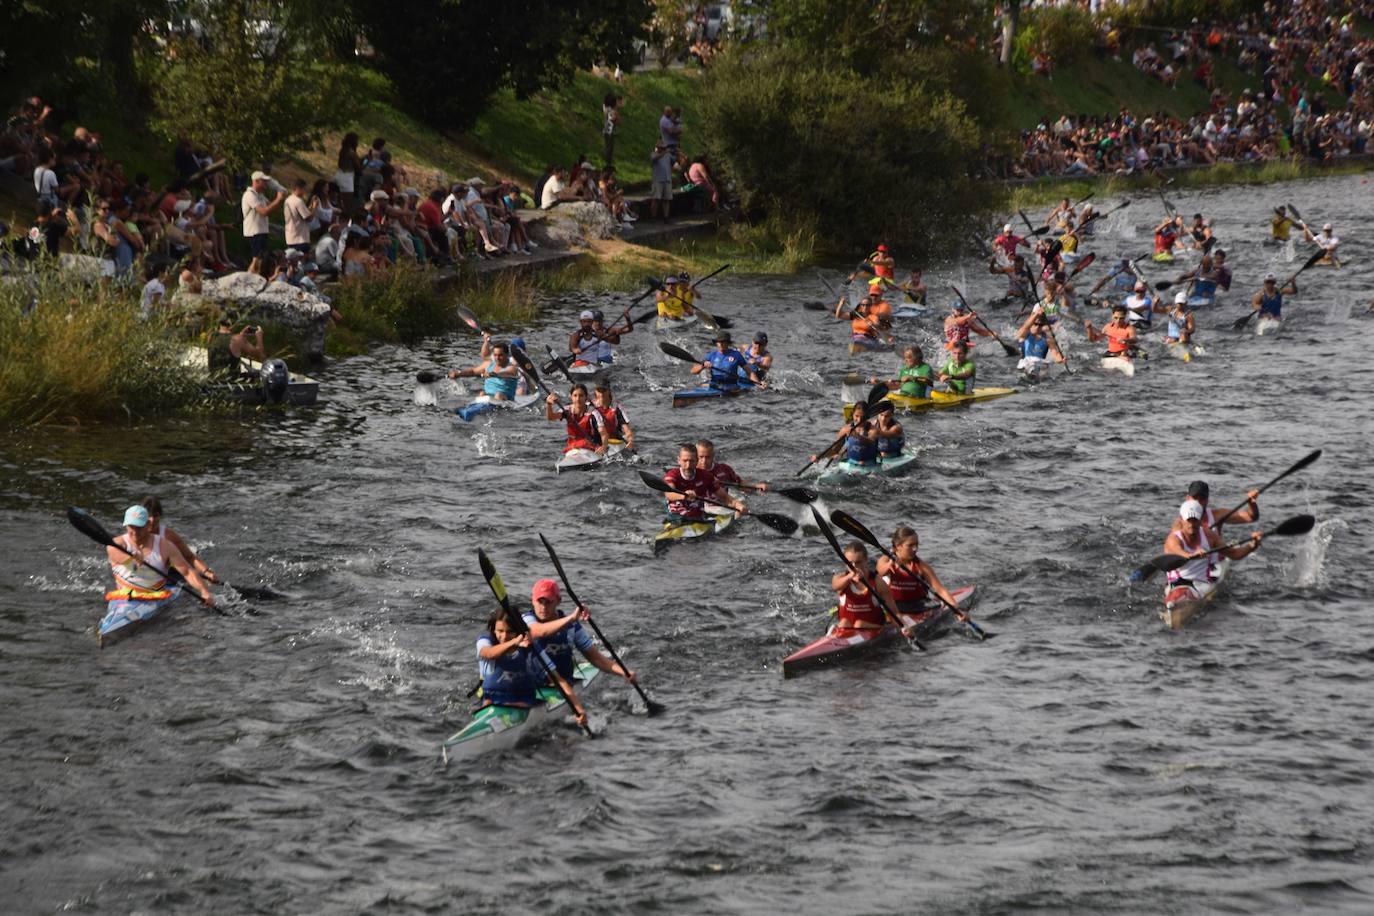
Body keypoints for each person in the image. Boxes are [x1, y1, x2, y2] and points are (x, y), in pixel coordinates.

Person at [476, 606, 587, 728]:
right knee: (486, 702)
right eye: (500, 631)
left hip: (522, 703)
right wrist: (515, 641)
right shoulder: (484, 642)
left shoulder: (531, 648)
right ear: (493, 630)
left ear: (518, 630)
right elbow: (489, 654)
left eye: (510, 631)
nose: (504, 636)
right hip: (492, 703)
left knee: (519, 707)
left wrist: (578, 709)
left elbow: (558, 679)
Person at [523, 578, 635, 688]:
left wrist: (624, 672)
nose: (543, 607)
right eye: (540, 601)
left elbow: (596, 658)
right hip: (532, 686)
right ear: (532, 600)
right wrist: (572, 618)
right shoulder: (525, 620)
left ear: (558, 601)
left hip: (563, 684)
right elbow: (538, 631)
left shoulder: (572, 627)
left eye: (548, 602)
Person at [106, 505, 215, 608]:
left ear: (148, 524)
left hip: (155, 596)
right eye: (131, 527)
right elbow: (121, 558)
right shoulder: (117, 544)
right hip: (123, 597)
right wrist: (132, 559)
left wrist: (205, 592)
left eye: (139, 527)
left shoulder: (165, 546)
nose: (134, 532)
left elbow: (187, 572)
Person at [1163, 499, 1263, 597]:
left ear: (1201, 520)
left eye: (1195, 520)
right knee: (1176, 598)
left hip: (1202, 584)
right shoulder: (1173, 539)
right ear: (1181, 520)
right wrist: (1191, 555)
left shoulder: (1209, 536)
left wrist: (1252, 545)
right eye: (1189, 520)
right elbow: (1178, 552)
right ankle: (1174, 605)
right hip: (1176, 584)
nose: (1192, 524)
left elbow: (1234, 554)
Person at [876, 527, 965, 619]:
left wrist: (957, 609)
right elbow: (880, 572)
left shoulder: (921, 566)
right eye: (910, 545)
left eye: (916, 545)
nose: (915, 549)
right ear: (898, 546)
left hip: (918, 606)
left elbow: (940, 590)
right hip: (892, 608)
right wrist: (891, 564)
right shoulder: (885, 560)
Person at [140, 496, 219, 585]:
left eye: (155, 515)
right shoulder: (134, 533)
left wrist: (206, 572)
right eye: (148, 516)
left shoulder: (168, 535)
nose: (152, 520)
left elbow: (190, 557)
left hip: (169, 573)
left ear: (160, 516)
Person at [830, 541, 900, 637]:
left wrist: (903, 629)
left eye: (858, 562)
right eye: (850, 563)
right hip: (847, 628)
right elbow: (835, 586)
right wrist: (850, 576)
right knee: (843, 623)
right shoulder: (840, 579)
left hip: (873, 628)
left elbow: (894, 613)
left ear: (866, 560)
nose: (854, 566)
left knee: (859, 624)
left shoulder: (878, 582)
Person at [662, 442, 745, 522]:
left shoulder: (706, 476)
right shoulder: (672, 475)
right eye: (685, 461)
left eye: (692, 461)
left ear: (697, 461)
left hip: (698, 518)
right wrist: (684, 496)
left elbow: (726, 498)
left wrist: (739, 506)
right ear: (678, 460)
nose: (688, 465)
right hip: (676, 517)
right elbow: (669, 493)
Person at [1172, 480, 1259, 533]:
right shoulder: (1179, 523)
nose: (1198, 502)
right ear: (1187, 498)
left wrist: (1252, 503)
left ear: (1207, 500)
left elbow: (1251, 517)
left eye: (1202, 498)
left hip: (1217, 561)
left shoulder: (1217, 515)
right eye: (1195, 498)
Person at [241, 170, 285, 275]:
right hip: (254, 231)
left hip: (261, 230)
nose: (266, 184)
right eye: (264, 181)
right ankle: (249, 275)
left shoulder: (260, 195)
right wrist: (278, 200)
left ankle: (255, 275)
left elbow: (270, 207)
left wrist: (279, 198)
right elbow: (263, 212)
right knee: (256, 258)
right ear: (256, 181)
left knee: (259, 258)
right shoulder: (249, 195)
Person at [449, 341, 521, 401]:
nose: (497, 358)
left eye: (500, 355)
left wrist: (493, 374)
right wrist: (458, 374)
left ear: (507, 355)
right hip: (489, 398)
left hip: (505, 399)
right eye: (495, 355)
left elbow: (505, 373)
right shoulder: (489, 364)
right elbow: (473, 371)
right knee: (482, 393)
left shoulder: (512, 368)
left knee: (498, 395)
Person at [692, 331, 764, 389]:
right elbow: (693, 371)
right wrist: (703, 366)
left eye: (723, 342)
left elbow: (749, 372)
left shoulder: (736, 355)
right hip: (714, 385)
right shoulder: (711, 355)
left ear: (728, 343)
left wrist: (758, 384)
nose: (721, 344)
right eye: (719, 342)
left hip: (731, 386)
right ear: (717, 343)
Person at [544, 383, 604, 453]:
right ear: (571, 397)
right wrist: (548, 404)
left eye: (581, 396)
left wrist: (603, 447)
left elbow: (603, 433)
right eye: (575, 396)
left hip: (592, 445)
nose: (578, 399)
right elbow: (550, 417)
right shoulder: (566, 410)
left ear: (586, 397)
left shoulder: (593, 412)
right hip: (573, 447)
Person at [697, 438, 767, 492]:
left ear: (713, 456)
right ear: (696, 456)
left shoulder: (724, 469)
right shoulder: (691, 472)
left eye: (708, 457)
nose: (704, 461)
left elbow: (740, 484)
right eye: (701, 457)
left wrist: (756, 487)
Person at [207, 312, 265, 376]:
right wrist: (259, 337)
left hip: (214, 380)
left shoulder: (211, 336)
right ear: (234, 323)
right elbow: (259, 354)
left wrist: (241, 335)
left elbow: (224, 345)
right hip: (231, 382)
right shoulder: (237, 339)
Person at [1016, 311, 1066, 377]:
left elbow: (1055, 353)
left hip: (1040, 363)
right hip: (1025, 363)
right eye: (1035, 324)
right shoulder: (1024, 335)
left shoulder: (1048, 339)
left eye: (1040, 325)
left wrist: (1061, 360)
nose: (1037, 327)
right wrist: (1036, 313)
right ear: (1031, 324)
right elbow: (1026, 326)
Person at [592, 384, 634, 449]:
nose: (602, 393)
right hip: (596, 440)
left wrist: (630, 440)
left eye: (604, 390)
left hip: (613, 439)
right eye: (599, 391)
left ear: (608, 391)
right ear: (596, 392)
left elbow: (627, 429)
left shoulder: (617, 407)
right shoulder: (590, 406)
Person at [283, 178, 316, 256]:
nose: (305, 191)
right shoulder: (298, 201)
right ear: (298, 188)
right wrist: (315, 207)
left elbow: (303, 213)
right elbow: (308, 218)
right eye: (304, 189)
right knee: (302, 261)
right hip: (300, 239)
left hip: (290, 237)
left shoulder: (288, 200)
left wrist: (310, 206)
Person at [649, 143, 674, 223]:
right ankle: (653, 217)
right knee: (656, 199)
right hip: (658, 180)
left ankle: (666, 217)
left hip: (667, 180)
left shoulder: (668, 155)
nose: (663, 149)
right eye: (661, 148)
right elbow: (654, 159)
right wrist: (665, 152)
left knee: (666, 200)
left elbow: (674, 161)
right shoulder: (654, 154)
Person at [602, 92, 622, 167]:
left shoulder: (607, 109)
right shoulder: (612, 111)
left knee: (609, 148)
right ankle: (608, 164)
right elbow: (614, 120)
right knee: (609, 149)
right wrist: (616, 117)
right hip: (610, 131)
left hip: (607, 130)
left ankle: (608, 163)